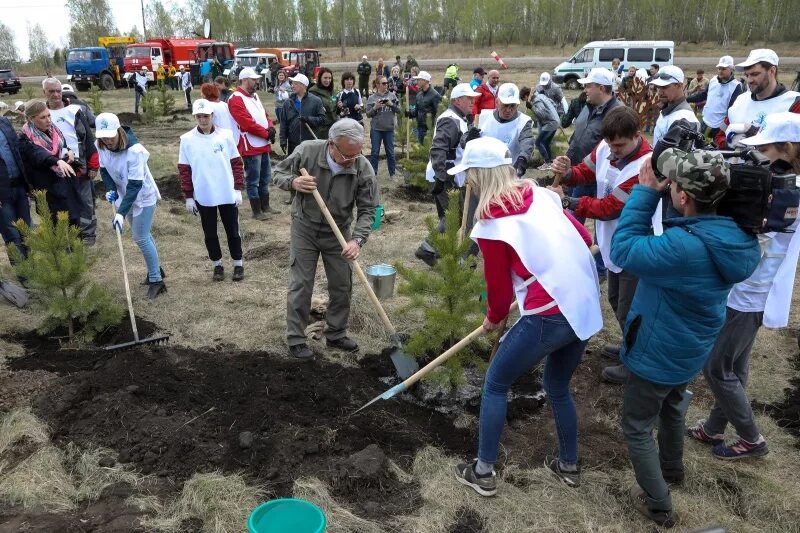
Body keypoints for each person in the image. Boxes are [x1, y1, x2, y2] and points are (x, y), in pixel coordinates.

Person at [611, 149, 759, 528]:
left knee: (637, 424)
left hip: (657, 349)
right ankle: (672, 469)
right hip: (692, 345)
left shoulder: (683, 249)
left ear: (681, 197)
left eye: (674, 183)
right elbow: (688, 227)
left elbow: (623, 250)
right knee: (674, 404)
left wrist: (645, 193)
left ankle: (658, 502)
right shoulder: (737, 238)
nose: (669, 185)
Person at [453, 136, 602, 496]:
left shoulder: (491, 226)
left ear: (480, 176)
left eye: (470, 174)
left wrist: (494, 318)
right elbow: (584, 239)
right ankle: (568, 465)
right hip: (582, 301)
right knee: (557, 387)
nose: (468, 182)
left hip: (549, 314)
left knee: (496, 383)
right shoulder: (544, 198)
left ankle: (483, 472)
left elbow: (500, 292)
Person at [687, 112, 800, 459]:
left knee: (716, 366)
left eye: (765, 149)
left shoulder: (786, 191)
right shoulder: (784, 181)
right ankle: (715, 427)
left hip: (752, 290)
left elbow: (766, 234)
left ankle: (752, 438)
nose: (759, 156)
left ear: (787, 147)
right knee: (736, 364)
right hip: (748, 283)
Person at [549, 106, 658, 384]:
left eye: (619, 145)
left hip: (635, 245)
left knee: (629, 309)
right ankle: (628, 347)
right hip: (611, 242)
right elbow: (585, 172)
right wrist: (568, 172)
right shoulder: (605, 146)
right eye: (610, 144)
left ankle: (637, 364)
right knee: (614, 299)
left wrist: (567, 201)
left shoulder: (645, 166)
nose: (613, 151)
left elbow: (610, 208)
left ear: (636, 135)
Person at [272, 119, 378, 361]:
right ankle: (297, 339)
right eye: (347, 155)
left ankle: (336, 333)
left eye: (356, 154)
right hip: (305, 228)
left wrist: (357, 241)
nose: (352, 160)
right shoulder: (307, 151)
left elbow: (368, 210)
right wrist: (294, 183)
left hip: (338, 232)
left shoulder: (362, 167)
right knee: (301, 284)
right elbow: (276, 173)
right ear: (332, 145)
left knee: (342, 285)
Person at [95, 112, 167, 299]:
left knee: (140, 237)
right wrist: (110, 189)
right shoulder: (100, 145)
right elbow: (104, 170)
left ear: (119, 131)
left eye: (110, 136)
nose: (107, 140)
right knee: (144, 236)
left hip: (142, 197)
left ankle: (157, 280)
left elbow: (135, 186)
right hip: (123, 196)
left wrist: (120, 213)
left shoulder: (135, 152)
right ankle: (156, 269)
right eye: (103, 136)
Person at [179, 99, 246, 282]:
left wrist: (238, 188)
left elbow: (236, 163)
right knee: (210, 232)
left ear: (212, 116)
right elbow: (184, 169)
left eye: (206, 116)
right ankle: (217, 264)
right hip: (204, 193)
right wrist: (189, 196)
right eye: (199, 116)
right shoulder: (187, 140)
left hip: (226, 191)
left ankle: (238, 263)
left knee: (232, 230)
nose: (203, 120)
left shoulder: (225, 135)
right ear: (195, 117)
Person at [42, 78, 99, 246]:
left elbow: (89, 139)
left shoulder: (75, 111)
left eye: (58, 91)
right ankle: (69, 234)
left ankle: (88, 235)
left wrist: (94, 164)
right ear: (44, 92)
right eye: (51, 91)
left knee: (86, 201)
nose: (56, 94)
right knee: (64, 201)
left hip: (80, 166)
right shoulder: (43, 113)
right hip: (56, 167)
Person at [716, 49, 800, 149]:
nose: (749, 80)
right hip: (734, 164)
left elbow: (793, 148)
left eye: (755, 74)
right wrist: (728, 143)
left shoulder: (793, 102)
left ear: (772, 71)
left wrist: (751, 130)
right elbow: (719, 136)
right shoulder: (740, 100)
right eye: (747, 75)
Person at [17, 101, 82, 230]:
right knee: (56, 225)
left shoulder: (54, 130)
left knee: (74, 220)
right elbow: (38, 154)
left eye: (49, 116)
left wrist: (69, 151)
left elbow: (62, 146)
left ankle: (76, 247)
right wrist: (57, 161)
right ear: (31, 119)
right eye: (43, 117)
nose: (48, 120)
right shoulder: (25, 138)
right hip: (47, 188)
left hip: (65, 181)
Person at [425, 83, 478, 230]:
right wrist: (441, 177)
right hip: (445, 175)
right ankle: (427, 250)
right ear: (457, 100)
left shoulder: (459, 118)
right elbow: (439, 148)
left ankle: (439, 250)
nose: (473, 101)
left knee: (452, 217)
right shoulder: (450, 119)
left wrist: (468, 139)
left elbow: (455, 144)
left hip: (449, 174)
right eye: (469, 98)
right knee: (453, 218)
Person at [228, 67, 279, 220]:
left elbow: (264, 114)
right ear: (245, 80)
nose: (257, 82)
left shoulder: (255, 96)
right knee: (253, 178)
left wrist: (270, 128)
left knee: (265, 176)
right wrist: (266, 133)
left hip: (262, 142)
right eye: (254, 79)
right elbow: (246, 123)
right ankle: (256, 211)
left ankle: (266, 206)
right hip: (250, 145)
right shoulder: (235, 98)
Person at [474, 83, 534, 175]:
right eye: (505, 105)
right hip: (484, 173)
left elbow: (527, 141)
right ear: (497, 102)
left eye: (512, 106)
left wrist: (523, 158)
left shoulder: (523, 122)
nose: (509, 110)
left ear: (517, 105)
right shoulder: (484, 117)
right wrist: (467, 138)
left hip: (508, 174)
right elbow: (467, 138)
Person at [0, 114, 32, 266]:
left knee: (26, 229)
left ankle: (32, 268)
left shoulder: (4, 122)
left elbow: (18, 150)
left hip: (19, 186)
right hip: (2, 194)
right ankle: (24, 275)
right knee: (12, 235)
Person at [686, 56, 743, 139]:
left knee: (716, 150)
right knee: (697, 146)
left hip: (719, 126)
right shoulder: (713, 80)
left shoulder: (736, 86)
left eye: (724, 69)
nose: (720, 71)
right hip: (705, 121)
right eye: (719, 68)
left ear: (731, 69)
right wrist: (686, 99)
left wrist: (724, 127)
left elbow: (732, 110)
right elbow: (703, 95)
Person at [651, 65, 701, 146]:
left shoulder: (684, 118)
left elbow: (675, 157)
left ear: (679, 85)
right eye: (658, 87)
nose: (659, 92)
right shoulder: (667, 109)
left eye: (664, 87)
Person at [281, 73, 326, 154]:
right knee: (295, 166)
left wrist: (308, 119)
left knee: (309, 166)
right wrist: (283, 140)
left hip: (310, 144)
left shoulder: (316, 101)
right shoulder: (287, 103)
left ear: (304, 86)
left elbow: (322, 119)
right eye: (292, 83)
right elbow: (283, 123)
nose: (292, 86)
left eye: (295, 84)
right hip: (293, 145)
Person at [366, 76, 400, 178]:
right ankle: (373, 174)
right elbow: (368, 114)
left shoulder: (392, 96)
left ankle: (392, 174)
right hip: (376, 129)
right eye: (384, 83)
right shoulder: (372, 98)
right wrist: (375, 108)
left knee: (390, 153)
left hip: (389, 129)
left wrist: (391, 105)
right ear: (377, 85)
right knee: (375, 152)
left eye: (387, 83)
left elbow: (399, 110)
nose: (386, 85)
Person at [407, 71, 442, 145]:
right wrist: (409, 114)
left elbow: (439, 113)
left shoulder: (435, 95)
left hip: (430, 130)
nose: (417, 81)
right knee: (422, 150)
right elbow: (417, 111)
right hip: (420, 128)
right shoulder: (419, 95)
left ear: (426, 81)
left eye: (419, 80)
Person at [528, 89, 560, 169]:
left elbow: (542, 114)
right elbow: (554, 104)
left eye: (523, 98)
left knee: (538, 142)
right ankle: (550, 161)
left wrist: (532, 107)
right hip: (555, 121)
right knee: (545, 142)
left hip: (550, 123)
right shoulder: (541, 96)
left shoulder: (536, 100)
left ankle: (547, 162)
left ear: (526, 96)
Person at [308, 68, 337, 140]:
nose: (328, 80)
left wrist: (338, 106)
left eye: (330, 78)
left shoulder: (332, 91)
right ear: (320, 78)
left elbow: (333, 107)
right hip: (321, 130)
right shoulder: (313, 92)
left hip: (333, 127)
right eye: (325, 78)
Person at [274, 70, 291, 137]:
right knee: (280, 121)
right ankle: (283, 134)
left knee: (283, 122)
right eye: (280, 75)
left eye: (282, 75)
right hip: (277, 105)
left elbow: (291, 94)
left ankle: (284, 135)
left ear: (285, 76)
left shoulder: (287, 85)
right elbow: (276, 95)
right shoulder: (277, 84)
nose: (281, 77)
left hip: (283, 106)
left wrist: (285, 92)